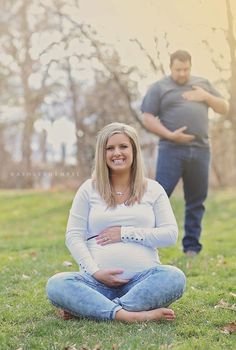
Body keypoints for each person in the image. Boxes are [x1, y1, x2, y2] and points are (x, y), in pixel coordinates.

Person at [46, 122, 186, 322]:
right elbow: (73, 236)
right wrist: (95, 272)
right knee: (57, 284)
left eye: (123, 146)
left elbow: (170, 234)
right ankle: (131, 315)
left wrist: (124, 232)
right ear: (102, 154)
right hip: (96, 284)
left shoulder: (153, 189)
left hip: (142, 282)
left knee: (174, 277)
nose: (116, 153)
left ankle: (94, 308)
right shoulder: (88, 189)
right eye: (109, 148)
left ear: (134, 151)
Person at [141, 50, 229, 256]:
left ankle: (191, 247)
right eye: (178, 70)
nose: (182, 74)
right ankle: (146, 242)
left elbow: (224, 107)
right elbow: (147, 117)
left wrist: (206, 96)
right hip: (171, 150)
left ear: (191, 65)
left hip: (200, 149)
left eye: (186, 69)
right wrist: (170, 135)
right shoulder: (159, 87)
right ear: (170, 67)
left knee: (196, 200)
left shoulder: (203, 83)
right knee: (158, 195)